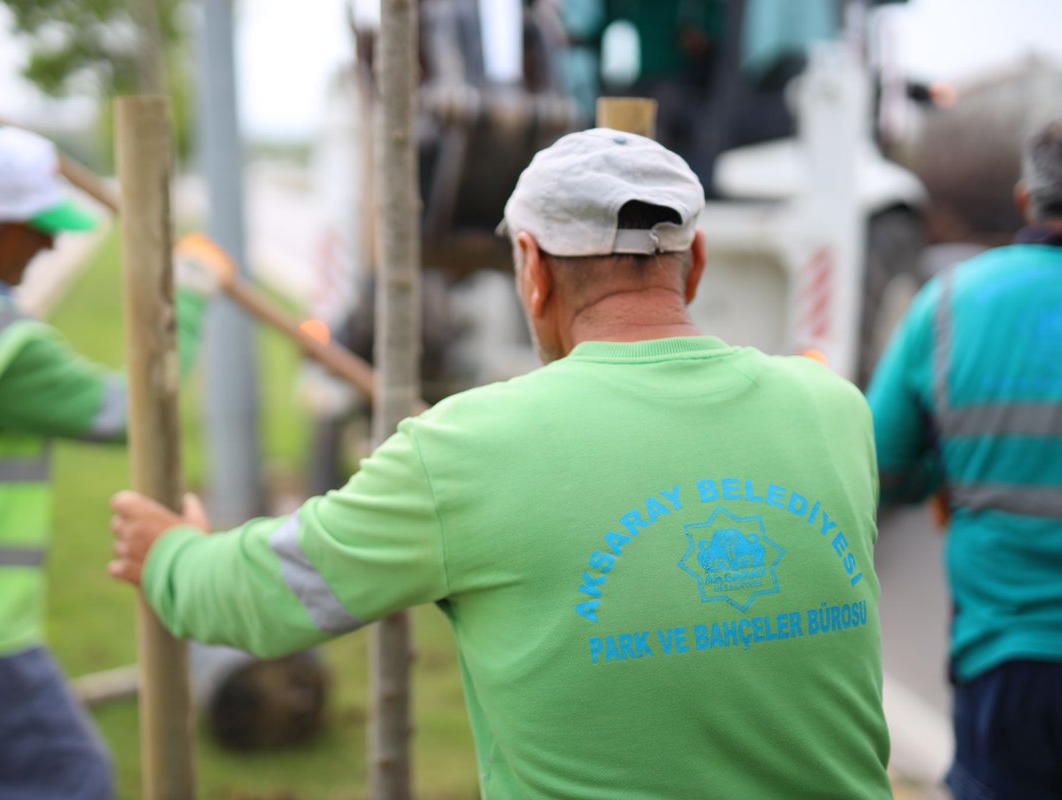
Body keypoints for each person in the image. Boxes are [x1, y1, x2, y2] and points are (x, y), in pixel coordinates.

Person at [111, 128, 892, 798]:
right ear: (697, 262)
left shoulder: (466, 451)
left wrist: (169, 555)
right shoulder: (832, 408)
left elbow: (268, 596)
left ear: (533, 266)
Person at [0, 71, 227, 799]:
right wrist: (187, 295)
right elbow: (132, 410)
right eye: (36, 230)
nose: (47, 248)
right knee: (72, 784)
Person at [867, 118, 1062, 799]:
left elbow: (879, 464)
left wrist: (944, 474)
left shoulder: (950, 303)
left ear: (1023, 200)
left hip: (1006, 662)